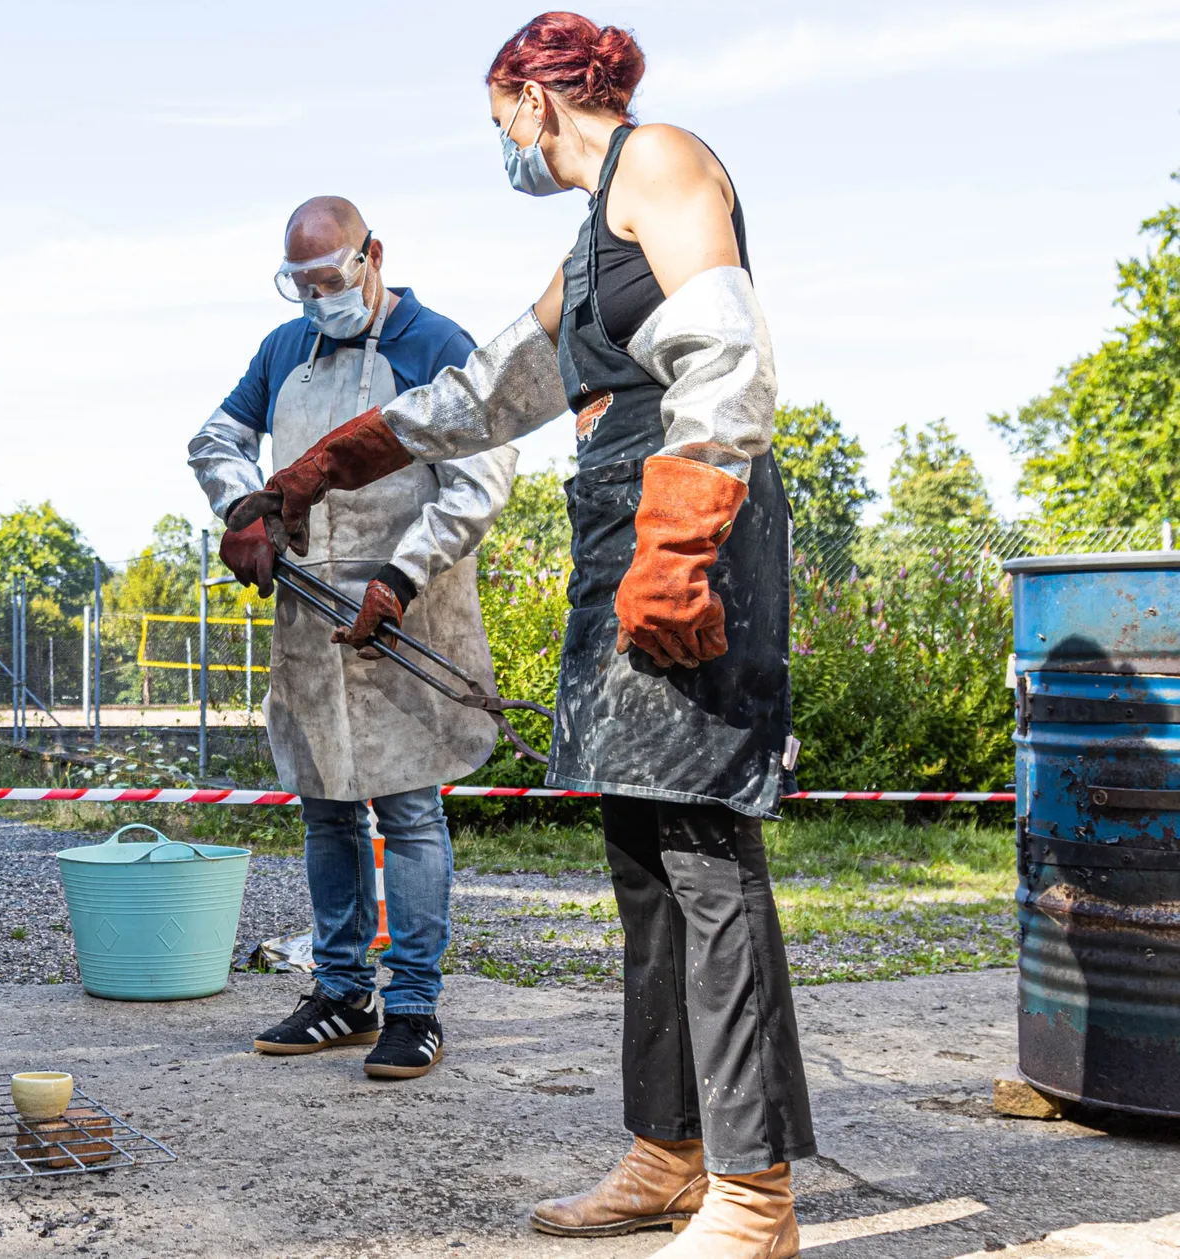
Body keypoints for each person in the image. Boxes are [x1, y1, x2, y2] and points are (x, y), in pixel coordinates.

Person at [227, 17, 813, 1256]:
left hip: (688, 528)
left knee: (705, 856)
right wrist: (328, 462)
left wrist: (680, 544)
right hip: (618, 522)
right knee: (644, 861)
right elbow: (488, 389)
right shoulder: (588, 246)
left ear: (535, 102)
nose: (504, 147)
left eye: (502, 123)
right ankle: (669, 1150)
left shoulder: (660, 160)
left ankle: (755, 1195)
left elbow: (728, 349)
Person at [190, 196, 518, 1080]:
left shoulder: (435, 344)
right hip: (311, 618)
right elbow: (215, 436)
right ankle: (341, 993)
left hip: (406, 608)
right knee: (326, 806)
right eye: (298, 285)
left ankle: (412, 1005)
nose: (315, 300)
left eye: (328, 279)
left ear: (373, 256)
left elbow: (478, 482)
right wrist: (245, 506)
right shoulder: (283, 351)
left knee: (408, 810)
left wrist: (401, 578)